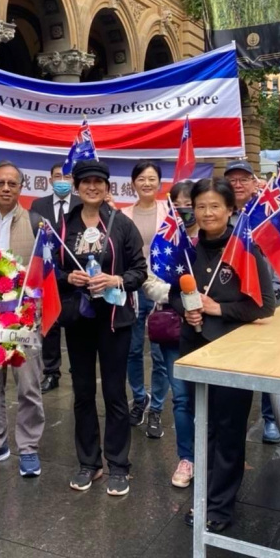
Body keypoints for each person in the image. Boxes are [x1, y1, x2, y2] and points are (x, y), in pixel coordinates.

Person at [169, 178, 275, 532]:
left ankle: (220, 507)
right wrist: (187, 309)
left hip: (234, 353)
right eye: (201, 206)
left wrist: (218, 309)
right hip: (194, 351)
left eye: (215, 206)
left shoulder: (245, 248)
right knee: (205, 426)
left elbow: (263, 306)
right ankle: (207, 494)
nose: (208, 213)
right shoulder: (186, 249)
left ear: (231, 209)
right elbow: (173, 293)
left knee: (228, 429)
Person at [56, 159, 147, 497]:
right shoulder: (64, 226)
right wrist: (69, 277)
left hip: (114, 321)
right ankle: (89, 462)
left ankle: (119, 465)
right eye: (86, 182)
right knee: (82, 393)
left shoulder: (121, 224)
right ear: (77, 188)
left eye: (99, 182)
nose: (92, 187)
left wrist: (118, 278)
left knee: (114, 393)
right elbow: (51, 270)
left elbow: (139, 269)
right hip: (78, 320)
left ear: (108, 188)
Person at [0, 161, 45, 478]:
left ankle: (28, 448)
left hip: (24, 319)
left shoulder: (36, 223)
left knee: (29, 386)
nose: (5, 188)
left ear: (21, 187)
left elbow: (47, 275)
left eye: (12, 183)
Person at [142, 180, 197, 488]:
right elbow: (149, 283)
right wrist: (177, 293)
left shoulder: (216, 237)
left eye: (193, 202)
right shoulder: (165, 241)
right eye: (180, 203)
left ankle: (212, 453)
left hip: (213, 332)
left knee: (213, 398)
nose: (187, 209)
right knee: (182, 398)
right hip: (176, 331)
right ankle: (186, 457)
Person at [224, 160, 280, 444]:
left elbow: (279, 252)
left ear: (253, 182)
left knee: (271, 362)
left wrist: (277, 286)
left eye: (243, 179)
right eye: (232, 179)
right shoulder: (220, 213)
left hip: (266, 297)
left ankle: (272, 419)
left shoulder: (267, 213)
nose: (238, 184)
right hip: (233, 298)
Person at [121, 160, 168, 433]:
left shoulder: (170, 212)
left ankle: (158, 408)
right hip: (134, 287)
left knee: (161, 354)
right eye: (141, 179)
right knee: (133, 349)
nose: (147, 183)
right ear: (133, 183)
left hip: (162, 289)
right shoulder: (123, 215)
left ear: (159, 183)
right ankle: (140, 399)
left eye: (152, 178)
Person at [32, 162, 81, 393]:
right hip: (48, 273)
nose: (63, 181)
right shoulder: (38, 205)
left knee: (75, 323)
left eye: (67, 176)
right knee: (49, 325)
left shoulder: (82, 205)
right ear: (50, 180)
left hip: (74, 274)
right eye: (58, 176)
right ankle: (51, 372)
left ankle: (77, 371)